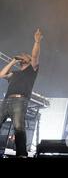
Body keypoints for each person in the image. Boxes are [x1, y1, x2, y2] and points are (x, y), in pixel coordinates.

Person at [0, 28, 43, 157]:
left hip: (20, 101)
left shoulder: (32, 70)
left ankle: (21, 154)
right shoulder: (15, 73)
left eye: (26, 56)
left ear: (29, 61)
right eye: (22, 55)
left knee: (18, 127)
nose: (23, 55)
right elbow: (1, 74)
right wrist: (13, 61)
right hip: (6, 100)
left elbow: (35, 55)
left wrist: (37, 42)